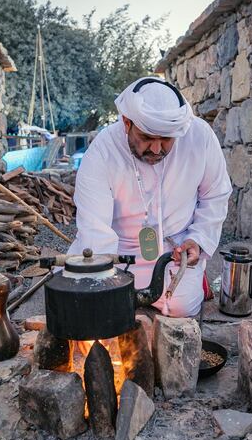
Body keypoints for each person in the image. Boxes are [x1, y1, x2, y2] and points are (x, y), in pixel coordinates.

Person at [67, 77, 232, 317]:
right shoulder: (103, 150)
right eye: (146, 138)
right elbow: (95, 227)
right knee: (89, 302)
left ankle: (198, 280)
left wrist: (198, 240)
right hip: (119, 250)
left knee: (179, 307)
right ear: (126, 122)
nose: (156, 150)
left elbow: (215, 194)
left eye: (166, 140)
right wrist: (104, 278)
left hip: (176, 250)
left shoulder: (200, 136)